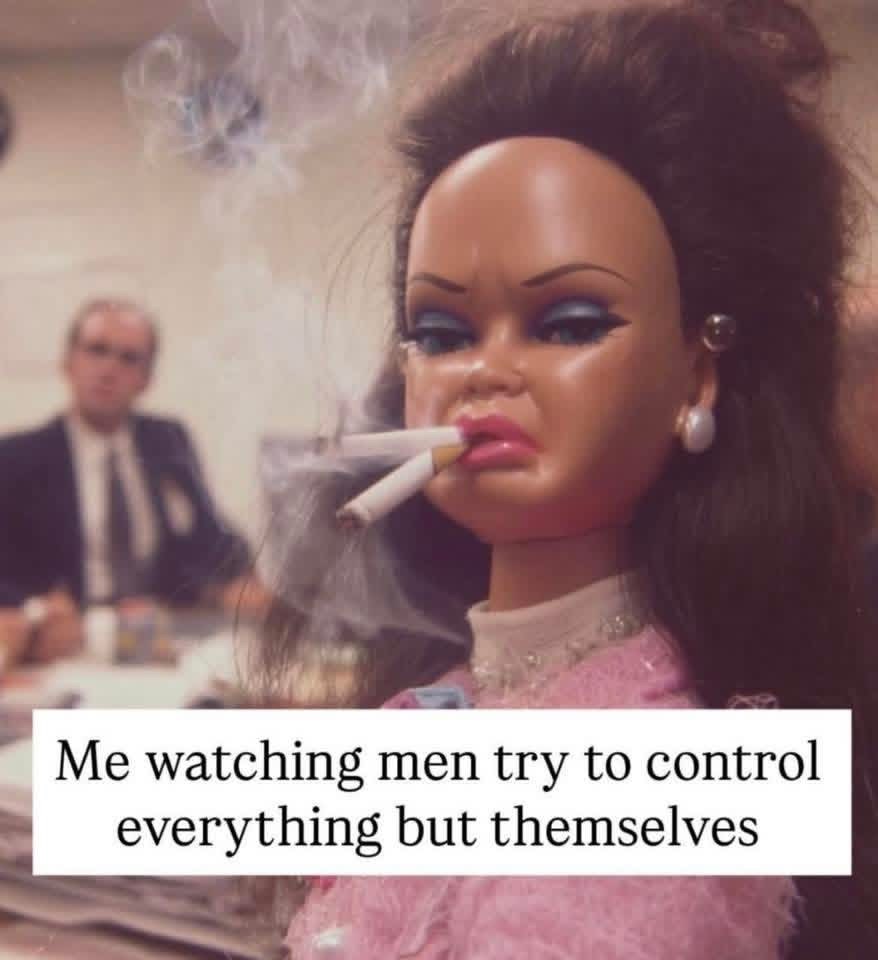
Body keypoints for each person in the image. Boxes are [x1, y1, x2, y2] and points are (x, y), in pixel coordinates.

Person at [264, 0, 877, 956]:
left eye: (569, 324)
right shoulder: (447, 698)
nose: (483, 372)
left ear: (698, 370)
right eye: (441, 332)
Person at [0, 297, 258, 661]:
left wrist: (242, 577)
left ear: (146, 379)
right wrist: (33, 609)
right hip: (66, 645)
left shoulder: (167, 440)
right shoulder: (16, 457)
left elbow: (207, 534)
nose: (109, 369)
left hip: (160, 636)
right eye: (97, 350)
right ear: (68, 363)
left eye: (129, 358)